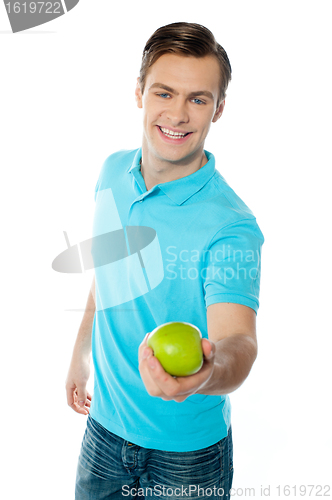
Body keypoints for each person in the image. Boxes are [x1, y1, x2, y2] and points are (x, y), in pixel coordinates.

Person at [66, 22, 264, 499]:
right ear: (139, 93)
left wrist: (206, 375)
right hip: (104, 432)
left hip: (188, 456)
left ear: (219, 108)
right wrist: (80, 354)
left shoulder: (231, 226)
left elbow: (238, 340)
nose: (178, 113)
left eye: (198, 98)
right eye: (164, 92)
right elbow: (110, 270)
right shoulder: (113, 171)